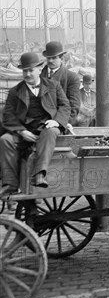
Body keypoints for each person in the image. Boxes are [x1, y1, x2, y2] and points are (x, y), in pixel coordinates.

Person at [0, 52, 70, 199]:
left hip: (46, 128)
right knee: (5, 139)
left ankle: (39, 174)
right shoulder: (15, 92)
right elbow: (8, 115)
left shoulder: (53, 86)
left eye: (31, 70)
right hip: (25, 132)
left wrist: (56, 121)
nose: (28, 74)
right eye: (25, 71)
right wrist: (21, 131)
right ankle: (10, 183)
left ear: (40, 69)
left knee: (51, 132)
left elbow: (65, 106)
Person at [41, 41, 81, 125]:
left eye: (54, 58)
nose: (50, 61)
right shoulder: (38, 76)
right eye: (48, 58)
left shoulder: (71, 78)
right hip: (40, 122)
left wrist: (64, 123)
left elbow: (74, 105)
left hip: (60, 122)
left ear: (62, 58)